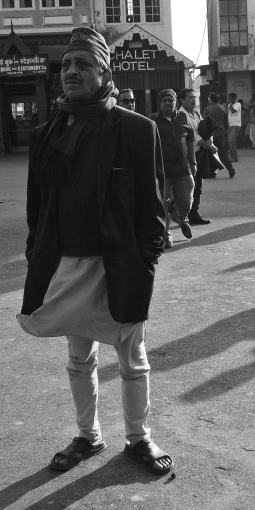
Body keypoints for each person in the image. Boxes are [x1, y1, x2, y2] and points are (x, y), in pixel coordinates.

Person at [17, 26, 173, 476]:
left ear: (104, 73)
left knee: (132, 358)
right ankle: (88, 435)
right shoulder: (46, 134)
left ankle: (139, 439)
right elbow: (37, 206)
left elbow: (152, 206)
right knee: (78, 357)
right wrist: (36, 252)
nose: (71, 71)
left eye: (83, 64)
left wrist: (145, 260)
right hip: (66, 263)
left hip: (119, 264)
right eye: (66, 64)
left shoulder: (136, 129)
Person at [150, 89, 195, 248]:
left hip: (183, 169)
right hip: (162, 172)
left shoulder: (183, 117)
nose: (167, 103)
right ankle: (166, 234)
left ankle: (180, 217)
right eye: (164, 101)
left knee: (186, 202)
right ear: (160, 103)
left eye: (171, 100)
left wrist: (193, 163)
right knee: (163, 205)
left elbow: (190, 140)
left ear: (176, 102)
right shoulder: (152, 120)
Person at [180, 88, 214, 225]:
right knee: (189, 185)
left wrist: (209, 140)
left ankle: (194, 212)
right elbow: (191, 135)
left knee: (198, 184)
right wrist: (204, 143)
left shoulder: (196, 113)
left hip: (200, 153)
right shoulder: (181, 115)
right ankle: (183, 214)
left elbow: (204, 129)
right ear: (182, 100)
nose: (193, 100)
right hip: (188, 154)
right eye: (190, 97)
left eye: (194, 97)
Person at [204, 93, 235, 177]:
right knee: (221, 151)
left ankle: (217, 170)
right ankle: (226, 168)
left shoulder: (207, 109)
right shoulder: (223, 108)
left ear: (211, 100)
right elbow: (226, 122)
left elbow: (204, 122)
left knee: (213, 152)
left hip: (212, 134)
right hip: (222, 133)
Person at [226, 93, 241, 162]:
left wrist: (229, 105)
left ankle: (233, 157)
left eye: (230, 98)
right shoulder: (229, 105)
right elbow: (228, 114)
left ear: (233, 98)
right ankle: (234, 157)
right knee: (231, 142)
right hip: (230, 125)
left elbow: (233, 111)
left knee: (231, 141)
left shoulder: (238, 104)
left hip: (236, 125)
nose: (229, 99)